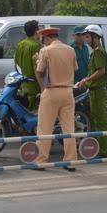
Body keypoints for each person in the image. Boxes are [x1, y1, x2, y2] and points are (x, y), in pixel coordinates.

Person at [34, 27, 78, 171]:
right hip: (68, 91)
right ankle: (70, 161)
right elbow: (75, 69)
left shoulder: (45, 51)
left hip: (51, 92)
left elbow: (40, 72)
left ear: (46, 38)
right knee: (69, 129)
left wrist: (36, 62)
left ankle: (42, 160)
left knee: (45, 128)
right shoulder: (70, 50)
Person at [77, 25, 107, 158]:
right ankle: (97, 148)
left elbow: (101, 71)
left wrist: (86, 80)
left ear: (95, 37)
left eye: (88, 36)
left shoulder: (99, 52)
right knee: (95, 121)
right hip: (94, 90)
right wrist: (86, 80)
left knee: (101, 122)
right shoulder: (95, 52)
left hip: (99, 92)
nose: (85, 39)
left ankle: (103, 151)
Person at [15, 20, 42, 112]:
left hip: (22, 83)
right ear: (36, 31)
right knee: (34, 111)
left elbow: (16, 64)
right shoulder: (36, 46)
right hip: (34, 84)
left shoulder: (20, 44)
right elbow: (38, 67)